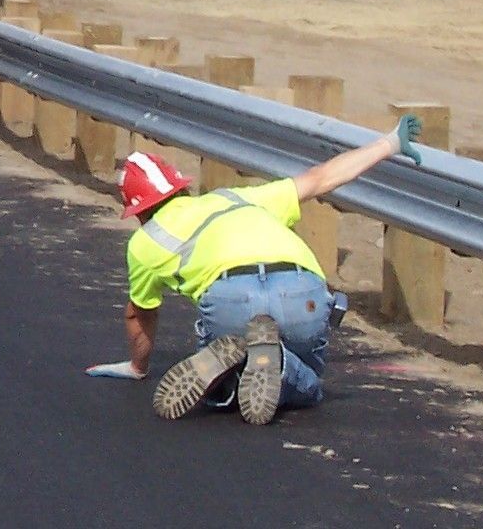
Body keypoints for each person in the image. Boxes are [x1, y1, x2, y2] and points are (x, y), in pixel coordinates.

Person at [86, 115, 424, 425]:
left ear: (139, 211)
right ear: (181, 187)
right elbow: (322, 178)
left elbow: (139, 315)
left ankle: (228, 377)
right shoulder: (239, 199)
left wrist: (138, 367)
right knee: (307, 381)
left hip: (231, 299)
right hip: (300, 290)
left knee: (231, 384)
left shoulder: (145, 243)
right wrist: (389, 143)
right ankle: (277, 362)